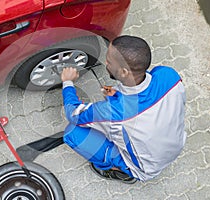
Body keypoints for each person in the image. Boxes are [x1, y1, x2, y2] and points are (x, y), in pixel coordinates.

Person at [60, 35, 186, 183]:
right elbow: (146, 93)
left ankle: (121, 172)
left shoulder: (114, 112)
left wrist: (67, 82)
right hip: (174, 146)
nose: (105, 63)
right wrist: (118, 93)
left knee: (72, 133)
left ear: (124, 72)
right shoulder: (169, 75)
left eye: (108, 61)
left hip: (146, 168)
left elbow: (73, 114)